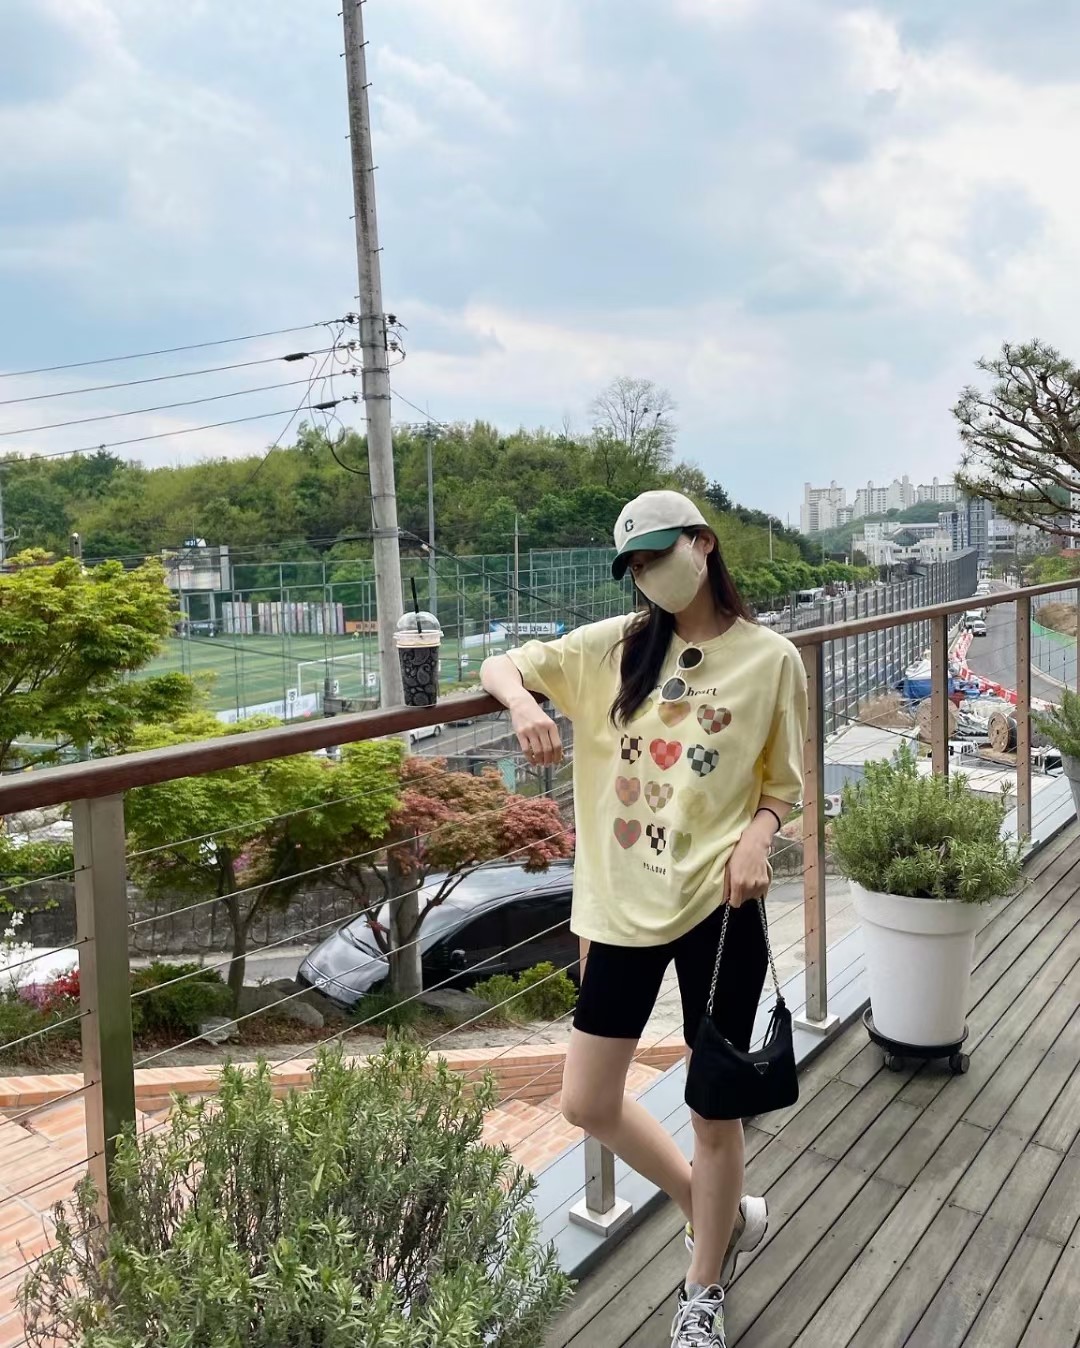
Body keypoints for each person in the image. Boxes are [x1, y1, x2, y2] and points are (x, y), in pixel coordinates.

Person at [481, 489, 807, 1348]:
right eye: (633, 565)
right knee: (587, 1100)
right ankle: (714, 1211)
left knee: (713, 1112)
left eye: (658, 555)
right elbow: (502, 664)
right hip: (619, 908)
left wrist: (759, 838)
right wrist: (523, 705)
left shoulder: (771, 659)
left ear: (703, 544)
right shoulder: (613, 649)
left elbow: (782, 783)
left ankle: (702, 1287)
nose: (647, 575)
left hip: (720, 906)